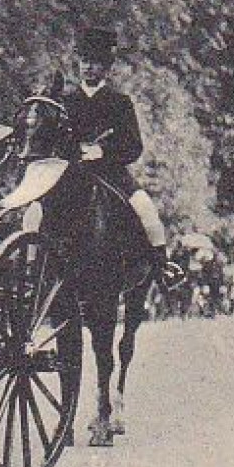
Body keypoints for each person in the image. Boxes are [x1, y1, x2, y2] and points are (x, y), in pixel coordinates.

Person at [61, 27, 185, 289]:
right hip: (70, 173)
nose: (88, 68)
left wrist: (102, 152)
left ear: (106, 68)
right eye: (84, 61)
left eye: (95, 63)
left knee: (146, 210)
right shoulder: (66, 101)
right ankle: (29, 267)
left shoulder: (120, 102)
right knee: (36, 209)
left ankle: (163, 268)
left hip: (111, 174)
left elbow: (133, 146)